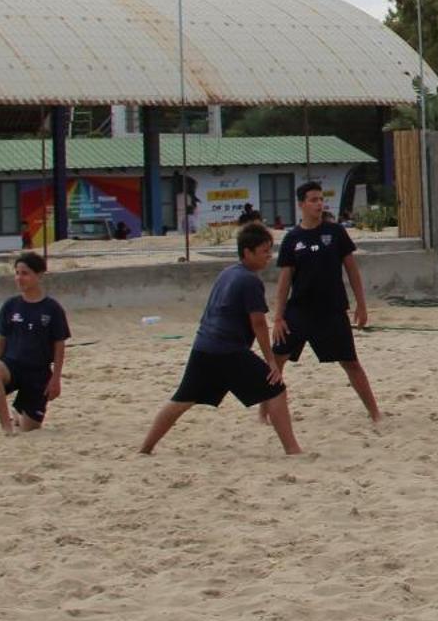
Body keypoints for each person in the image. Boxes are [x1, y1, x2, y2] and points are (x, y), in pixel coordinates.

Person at [139, 222, 302, 455]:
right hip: (227, 350)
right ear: (247, 252)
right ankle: (292, 449)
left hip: (203, 346)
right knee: (276, 388)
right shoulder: (249, 281)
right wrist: (271, 361)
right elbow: (258, 324)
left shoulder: (228, 272)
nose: (269, 256)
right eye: (265, 251)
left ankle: (145, 448)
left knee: (182, 399)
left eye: (270, 250)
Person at [270, 180, 380, 423]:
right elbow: (284, 281)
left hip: (332, 310)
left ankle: (374, 412)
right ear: (301, 205)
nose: (319, 204)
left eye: (321, 199)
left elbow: (352, 271)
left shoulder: (336, 232)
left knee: (350, 362)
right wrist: (278, 316)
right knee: (277, 360)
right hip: (298, 311)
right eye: (313, 200)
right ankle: (263, 413)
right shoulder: (292, 239)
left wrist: (361, 305)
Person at [0, 251, 71, 436]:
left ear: (38, 275)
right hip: (13, 366)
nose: (19, 278)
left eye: (25, 273)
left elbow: (59, 345)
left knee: (29, 427)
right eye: (17, 273)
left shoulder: (52, 308)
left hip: (38, 373)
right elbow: (2, 339)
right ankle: (6, 426)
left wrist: (55, 379)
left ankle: (18, 412)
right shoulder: (10, 305)